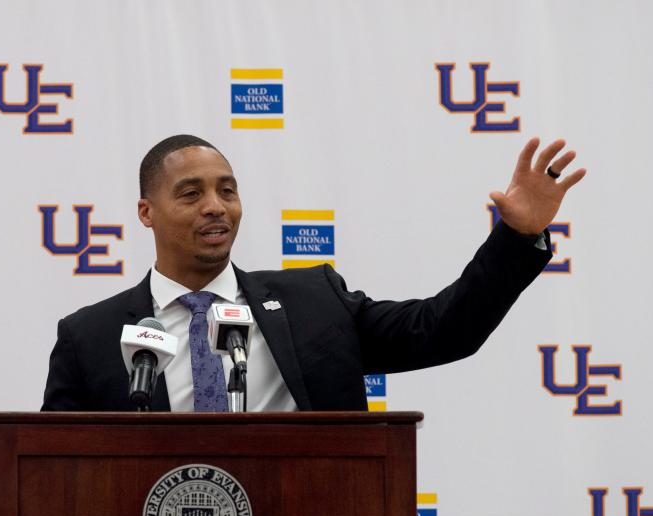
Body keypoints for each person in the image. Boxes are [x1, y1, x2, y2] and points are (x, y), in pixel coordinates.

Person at [42, 134, 585, 412]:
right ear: (146, 213)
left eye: (227, 190)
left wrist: (516, 239)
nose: (216, 206)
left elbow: (442, 330)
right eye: (191, 193)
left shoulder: (312, 301)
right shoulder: (90, 337)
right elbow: (53, 478)